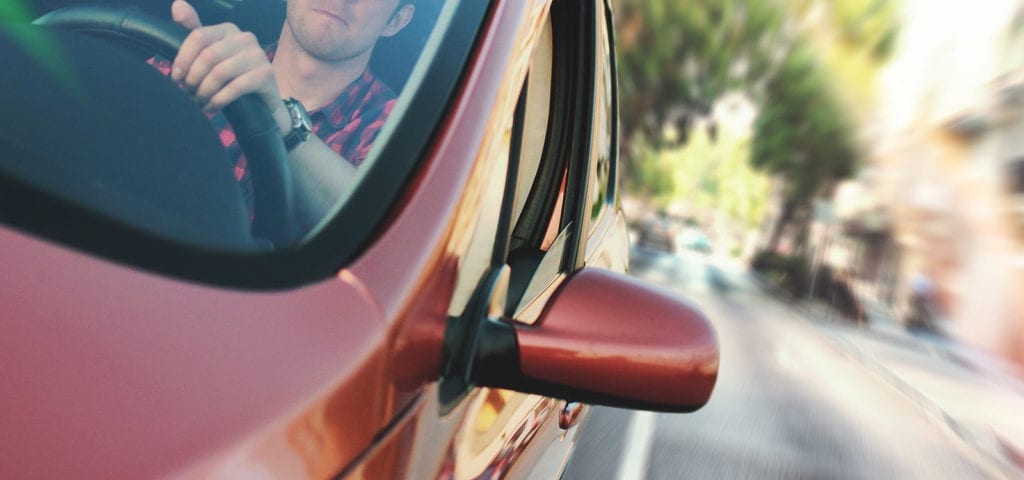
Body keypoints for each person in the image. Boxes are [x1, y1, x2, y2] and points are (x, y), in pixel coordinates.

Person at [156, 0, 415, 232]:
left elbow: (378, 230)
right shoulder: (200, 62)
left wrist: (281, 121)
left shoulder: (404, 131)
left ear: (396, 21)